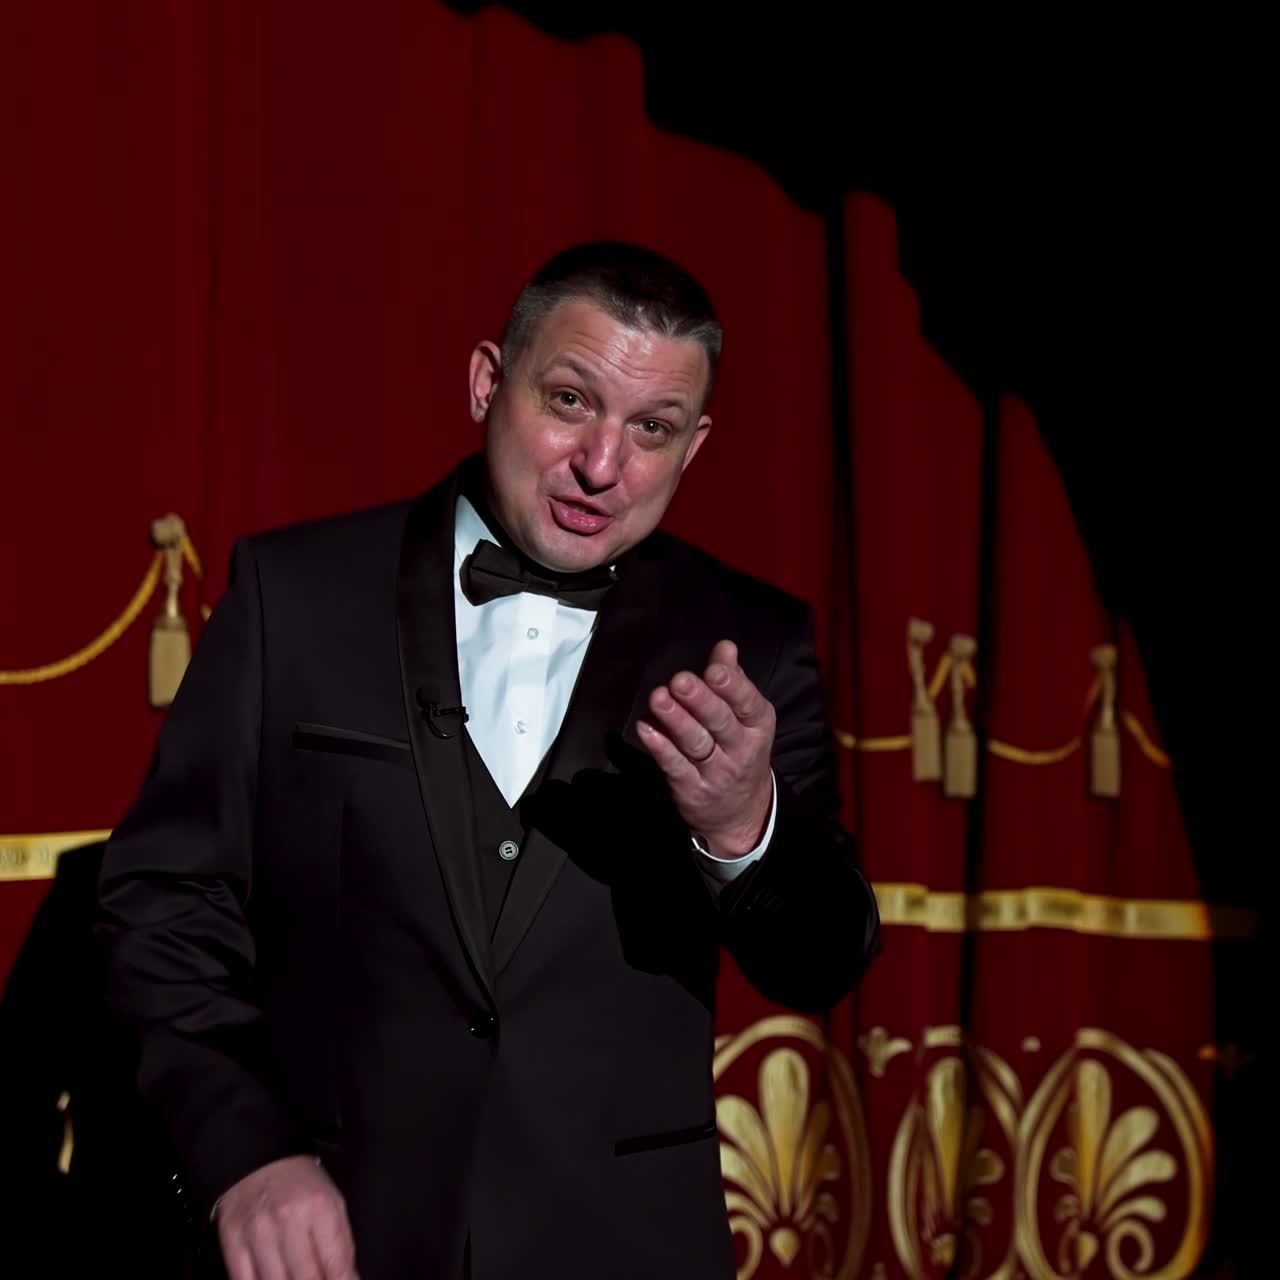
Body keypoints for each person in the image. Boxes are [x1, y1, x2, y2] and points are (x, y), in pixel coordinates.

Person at [98, 242, 880, 1280]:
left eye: (649, 431)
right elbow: (164, 906)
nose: (602, 466)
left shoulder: (748, 639)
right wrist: (244, 1153)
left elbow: (823, 961)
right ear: (485, 380)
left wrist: (742, 827)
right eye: (569, 400)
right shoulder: (296, 596)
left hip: (621, 1247)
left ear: (692, 448)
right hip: (332, 1243)